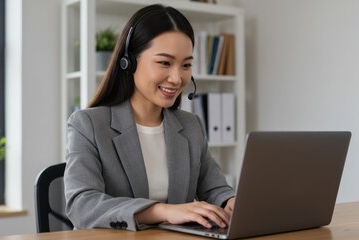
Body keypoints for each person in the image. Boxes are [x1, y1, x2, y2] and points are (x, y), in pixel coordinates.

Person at [64, 3, 235, 231]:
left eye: (186, 65)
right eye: (164, 63)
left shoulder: (190, 125)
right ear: (129, 62)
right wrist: (163, 211)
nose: (177, 78)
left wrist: (231, 203)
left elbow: (215, 188)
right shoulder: (88, 125)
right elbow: (82, 206)